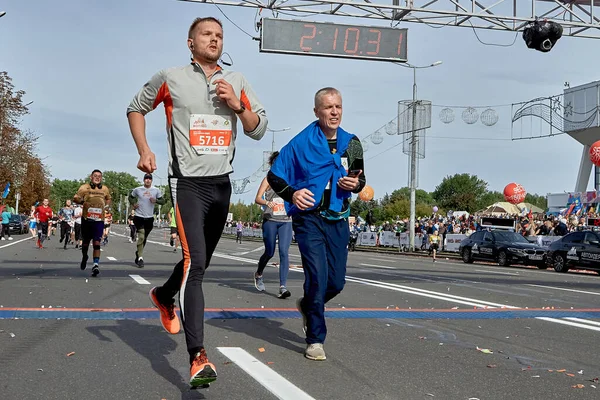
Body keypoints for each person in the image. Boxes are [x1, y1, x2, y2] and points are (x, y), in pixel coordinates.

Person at [126, 16, 267, 388]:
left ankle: (163, 294)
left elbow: (258, 129)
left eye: (219, 35)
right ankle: (198, 357)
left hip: (222, 185)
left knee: (197, 260)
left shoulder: (237, 82)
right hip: (186, 183)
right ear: (191, 43)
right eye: (207, 34)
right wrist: (144, 149)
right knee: (197, 264)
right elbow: (135, 108)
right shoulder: (170, 78)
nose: (214, 39)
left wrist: (237, 105)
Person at [268, 87, 365, 361]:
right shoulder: (301, 143)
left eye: (338, 107)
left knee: (335, 283)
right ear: (316, 111)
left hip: (338, 218)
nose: (334, 112)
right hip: (308, 218)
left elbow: (361, 179)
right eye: (328, 107)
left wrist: (355, 184)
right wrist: (293, 194)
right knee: (317, 277)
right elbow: (275, 176)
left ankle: (309, 304)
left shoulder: (352, 143)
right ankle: (315, 339)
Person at [253, 151, 292, 298]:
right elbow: (257, 198)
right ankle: (259, 274)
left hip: (286, 221)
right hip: (270, 219)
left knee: (284, 252)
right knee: (270, 252)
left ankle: (283, 287)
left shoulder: (290, 179)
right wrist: (267, 202)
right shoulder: (268, 180)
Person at [73, 170, 112, 277]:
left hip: (99, 219)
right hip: (87, 218)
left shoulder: (104, 188)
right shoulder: (84, 187)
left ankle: (95, 265)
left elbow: (108, 198)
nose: (97, 178)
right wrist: (83, 202)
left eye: (99, 176)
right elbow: (75, 198)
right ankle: (85, 256)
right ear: (91, 177)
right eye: (95, 176)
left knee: (96, 242)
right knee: (85, 243)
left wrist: (107, 206)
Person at [128, 173, 166, 267]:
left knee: (144, 238)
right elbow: (130, 197)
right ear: (143, 180)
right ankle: (140, 258)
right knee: (141, 236)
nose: (148, 180)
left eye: (149, 179)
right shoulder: (138, 189)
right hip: (139, 216)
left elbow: (163, 201)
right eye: (146, 179)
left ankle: (138, 253)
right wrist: (133, 204)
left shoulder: (156, 190)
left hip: (149, 218)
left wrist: (156, 201)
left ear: (151, 180)